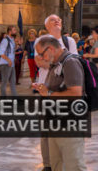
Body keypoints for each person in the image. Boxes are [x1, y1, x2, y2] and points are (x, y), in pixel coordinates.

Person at [33, 35, 87, 171]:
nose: (41, 57)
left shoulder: (70, 63)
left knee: (73, 165)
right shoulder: (57, 63)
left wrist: (49, 94)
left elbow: (75, 93)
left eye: (41, 54)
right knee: (57, 165)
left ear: (50, 49)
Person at [37, 14, 78, 171]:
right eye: (53, 20)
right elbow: (40, 62)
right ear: (47, 25)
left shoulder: (69, 41)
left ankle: (63, 161)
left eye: (59, 19)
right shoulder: (41, 41)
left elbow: (74, 63)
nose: (57, 21)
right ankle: (48, 164)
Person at [0, 25, 18, 96]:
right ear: (10, 32)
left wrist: (17, 46)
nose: (15, 31)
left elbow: (11, 51)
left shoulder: (12, 40)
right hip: (5, 64)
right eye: (14, 30)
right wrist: (9, 60)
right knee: (4, 82)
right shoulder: (5, 40)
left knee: (13, 82)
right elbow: (1, 53)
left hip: (11, 64)